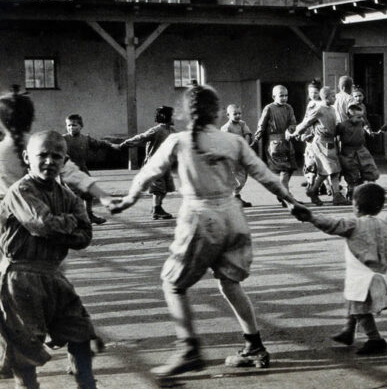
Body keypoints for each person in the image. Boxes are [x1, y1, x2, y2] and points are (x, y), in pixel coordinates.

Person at [110, 84, 311, 378]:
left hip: (201, 218)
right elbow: (265, 175)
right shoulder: (232, 142)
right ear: (217, 113)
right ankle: (254, 345)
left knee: (173, 284)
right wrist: (290, 201)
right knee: (230, 283)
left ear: (185, 113)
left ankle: (188, 348)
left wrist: (127, 201)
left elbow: (147, 174)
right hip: (233, 216)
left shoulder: (179, 141)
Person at [0, 131, 97, 389]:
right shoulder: (20, 190)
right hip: (20, 275)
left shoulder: (68, 196)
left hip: (53, 274)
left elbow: (85, 237)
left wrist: (61, 226)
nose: (49, 161)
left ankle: (86, 384)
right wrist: (70, 222)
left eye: (57, 156)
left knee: (79, 329)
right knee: (26, 341)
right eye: (42, 155)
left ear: (64, 160)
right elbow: (42, 225)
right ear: (26, 158)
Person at [291, 183, 387, 355]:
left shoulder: (353, 224)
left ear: (355, 206)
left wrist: (310, 217)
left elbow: (330, 224)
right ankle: (348, 331)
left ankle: (374, 339)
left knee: (359, 308)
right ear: (380, 206)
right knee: (353, 300)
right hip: (378, 274)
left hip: (362, 276)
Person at [289, 86, 349, 206]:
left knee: (329, 170)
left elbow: (335, 125)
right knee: (331, 170)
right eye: (332, 96)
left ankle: (316, 191)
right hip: (320, 143)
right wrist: (296, 133)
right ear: (325, 97)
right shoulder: (318, 109)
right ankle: (332, 194)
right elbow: (306, 122)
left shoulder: (332, 109)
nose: (335, 98)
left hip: (331, 142)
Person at [120, 106, 176, 220]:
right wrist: (126, 143)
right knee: (158, 188)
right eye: (173, 115)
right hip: (154, 164)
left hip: (166, 164)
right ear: (165, 116)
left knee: (166, 188)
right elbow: (141, 137)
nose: (175, 117)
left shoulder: (172, 131)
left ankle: (157, 207)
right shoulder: (157, 130)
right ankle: (156, 209)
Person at [63, 113, 120, 225]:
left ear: (81, 126)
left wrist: (112, 146)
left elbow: (99, 143)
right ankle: (75, 219)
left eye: (74, 125)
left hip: (82, 169)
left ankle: (89, 215)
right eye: (68, 125)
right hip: (68, 172)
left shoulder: (86, 139)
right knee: (74, 195)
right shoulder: (62, 139)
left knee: (89, 193)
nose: (71, 128)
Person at [254, 86, 298, 205]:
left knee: (291, 168)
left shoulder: (289, 108)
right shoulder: (269, 108)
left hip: (287, 141)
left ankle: (282, 192)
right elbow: (261, 125)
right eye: (281, 95)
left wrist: (291, 130)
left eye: (286, 95)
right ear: (274, 97)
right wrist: (257, 138)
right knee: (284, 169)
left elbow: (293, 123)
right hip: (275, 142)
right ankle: (286, 196)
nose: (284, 98)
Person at [337, 104, 380, 200]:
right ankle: (351, 192)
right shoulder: (342, 125)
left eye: (362, 116)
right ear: (349, 116)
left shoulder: (361, 122)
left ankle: (370, 190)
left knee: (370, 168)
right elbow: (334, 135)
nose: (361, 119)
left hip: (361, 149)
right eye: (358, 117)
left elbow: (365, 125)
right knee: (351, 172)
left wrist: (369, 131)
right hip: (348, 151)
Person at [221, 104, 253, 207]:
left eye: (240, 113)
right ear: (228, 115)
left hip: (242, 153)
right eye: (235, 114)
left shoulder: (242, 124)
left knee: (243, 176)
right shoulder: (226, 127)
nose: (238, 116)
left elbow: (247, 134)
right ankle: (233, 197)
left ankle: (235, 195)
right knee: (236, 176)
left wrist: (246, 145)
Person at [301, 79, 323, 189]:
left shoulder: (321, 104)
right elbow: (306, 120)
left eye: (315, 92)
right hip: (309, 133)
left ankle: (320, 184)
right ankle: (311, 181)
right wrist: (303, 131)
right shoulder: (310, 103)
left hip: (318, 134)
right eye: (310, 92)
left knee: (318, 160)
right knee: (310, 159)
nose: (313, 95)